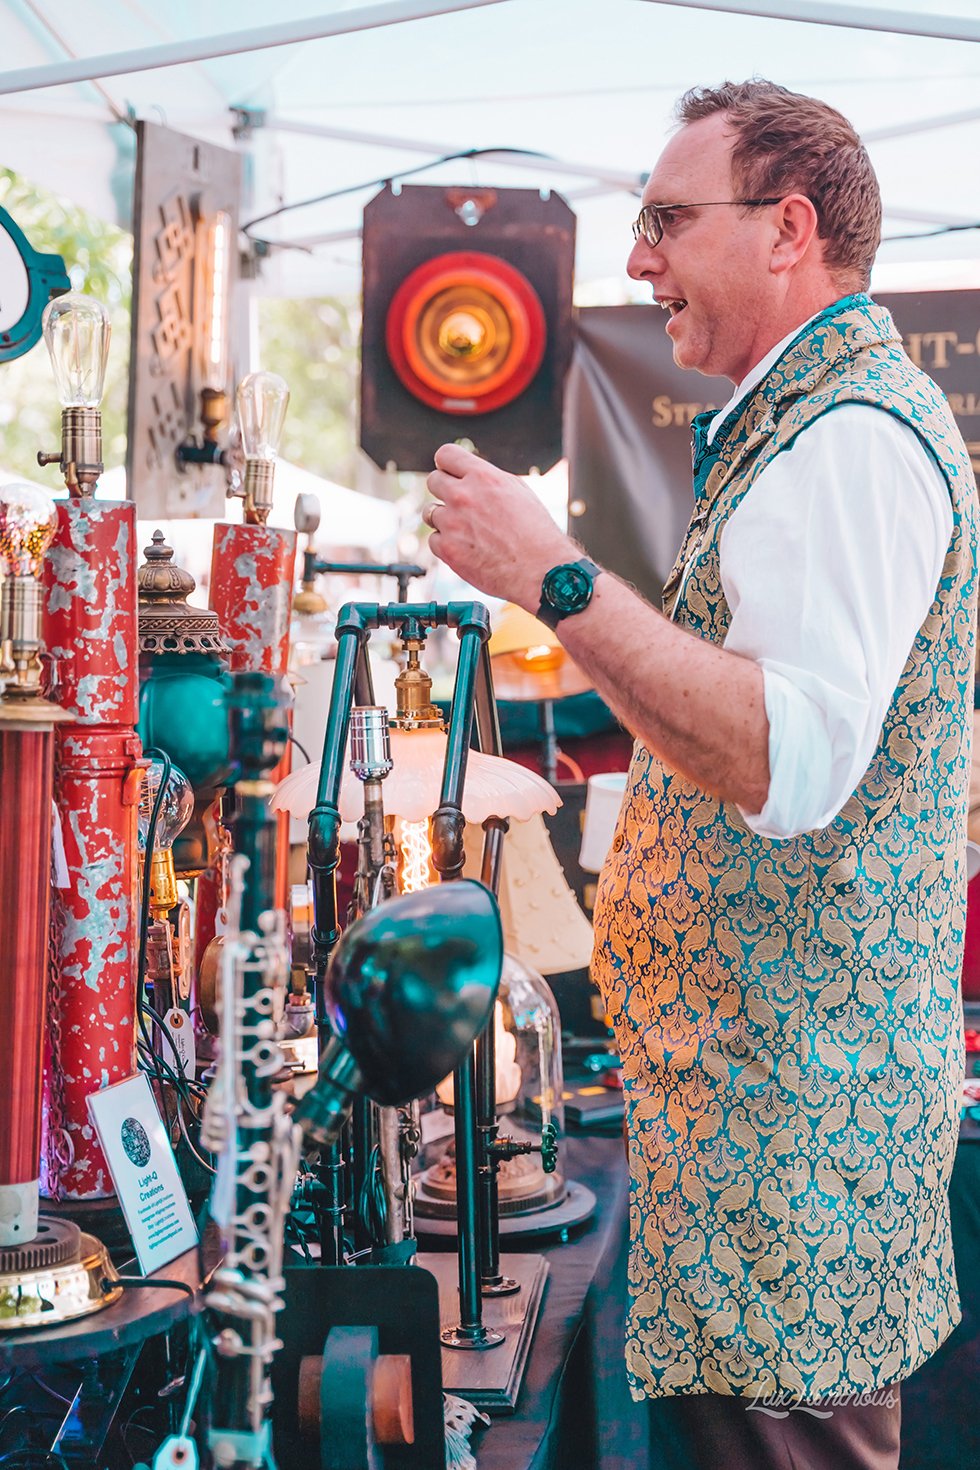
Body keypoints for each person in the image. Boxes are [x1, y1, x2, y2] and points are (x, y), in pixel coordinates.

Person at [425, 79, 978, 1470]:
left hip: (792, 1151)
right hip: (759, 1133)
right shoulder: (809, 423)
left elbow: (784, 755)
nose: (636, 259)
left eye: (667, 220)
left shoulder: (847, 436)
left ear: (787, 230)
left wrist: (552, 575)